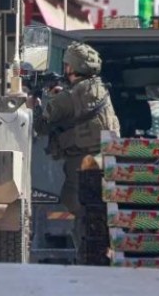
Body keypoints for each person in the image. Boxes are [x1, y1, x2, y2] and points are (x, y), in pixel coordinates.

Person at [31, 42, 120, 259]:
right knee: (98, 211)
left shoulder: (68, 98)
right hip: (105, 159)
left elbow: (41, 126)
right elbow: (80, 104)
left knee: (82, 212)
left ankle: (88, 258)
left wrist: (35, 104)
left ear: (72, 67)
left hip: (82, 165)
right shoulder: (99, 88)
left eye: (67, 64)